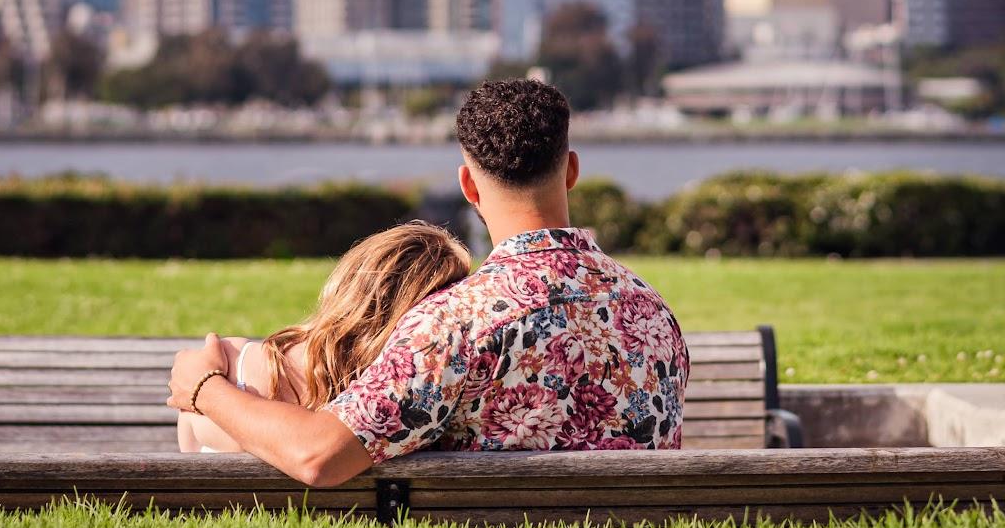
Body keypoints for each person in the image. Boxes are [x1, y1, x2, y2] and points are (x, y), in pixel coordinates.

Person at [168, 78, 689, 483]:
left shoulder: (454, 323)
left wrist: (204, 389)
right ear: (572, 170)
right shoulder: (654, 314)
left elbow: (318, 456)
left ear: (468, 185)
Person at [175, 219, 471, 453]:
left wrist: (207, 391)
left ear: (350, 281)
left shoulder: (235, 360)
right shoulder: (421, 395)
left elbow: (188, 446)